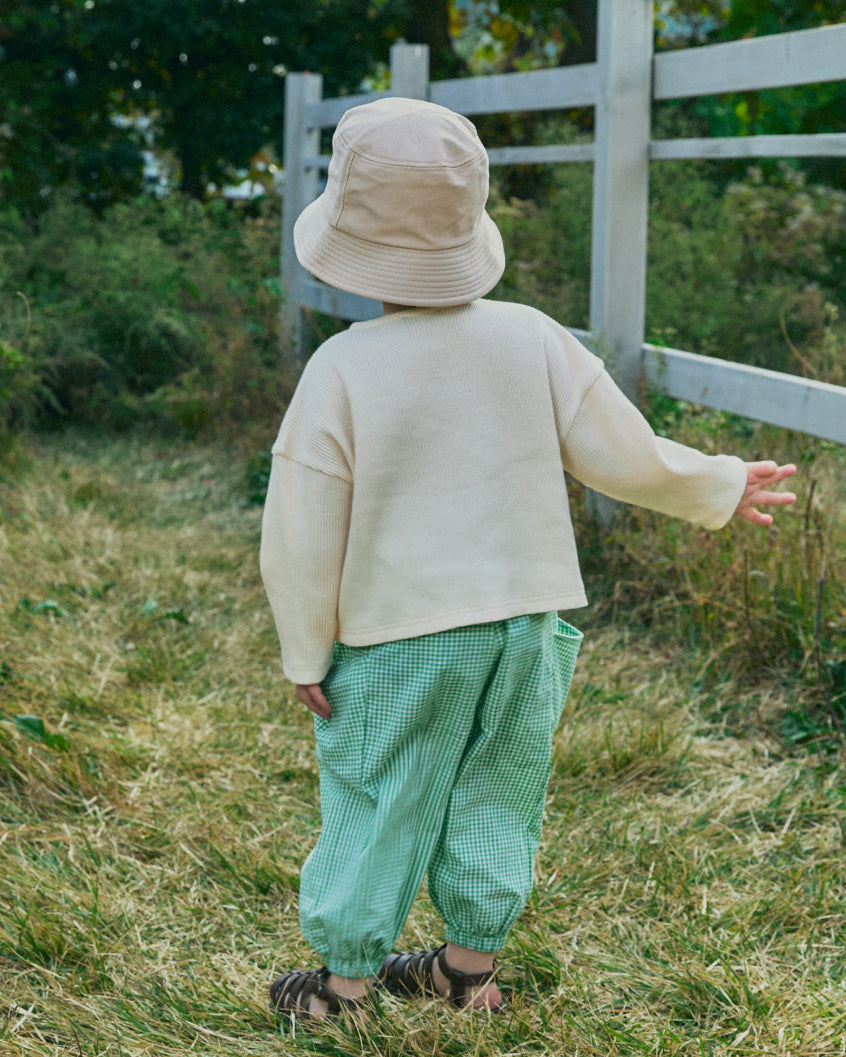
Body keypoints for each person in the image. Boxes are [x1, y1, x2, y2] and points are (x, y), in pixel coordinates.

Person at [259, 96, 796, 1022]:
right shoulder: (532, 336)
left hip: (402, 638)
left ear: (348, 242)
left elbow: (302, 526)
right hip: (525, 629)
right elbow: (621, 452)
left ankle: (343, 986)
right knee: (499, 790)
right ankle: (469, 974)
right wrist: (715, 481)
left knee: (382, 793)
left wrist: (306, 648)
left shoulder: (342, 369)